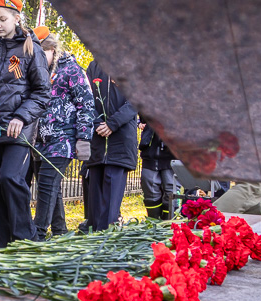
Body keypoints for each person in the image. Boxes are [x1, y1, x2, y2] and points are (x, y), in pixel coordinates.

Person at [0, 0, 51, 250]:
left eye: (3, 19)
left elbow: (43, 92)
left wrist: (21, 116)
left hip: (20, 128)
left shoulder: (30, 49)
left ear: (16, 18)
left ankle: (26, 239)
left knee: (10, 178)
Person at [32, 31, 93, 240]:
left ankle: (38, 232)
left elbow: (86, 104)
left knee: (48, 183)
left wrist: (84, 138)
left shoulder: (71, 70)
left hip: (64, 138)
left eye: (40, 54)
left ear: (52, 50)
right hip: (41, 139)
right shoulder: (40, 71)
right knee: (48, 185)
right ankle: (59, 230)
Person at [84, 60, 138, 232]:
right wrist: (97, 121)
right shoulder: (93, 67)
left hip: (120, 141)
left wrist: (112, 124)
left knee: (110, 205)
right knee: (95, 201)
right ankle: (93, 237)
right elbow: (85, 97)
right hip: (97, 140)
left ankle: (106, 238)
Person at [139, 119, 178, 220]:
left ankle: (168, 224)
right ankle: (154, 223)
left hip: (172, 154)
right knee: (150, 190)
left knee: (171, 192)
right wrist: (139, 122)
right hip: (150, 152)